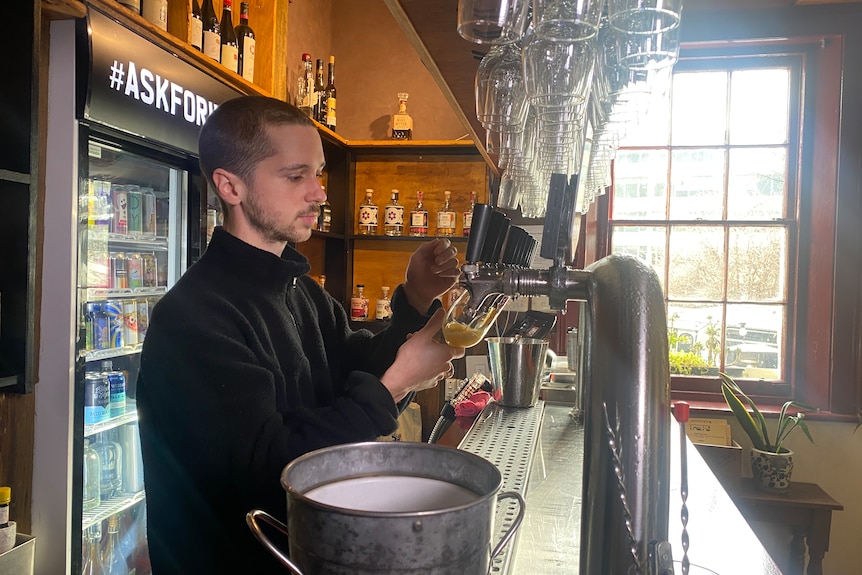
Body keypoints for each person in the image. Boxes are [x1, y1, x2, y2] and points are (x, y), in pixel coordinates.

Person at [136, 95, 465, 574]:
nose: (319, 193)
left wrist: (413, 300)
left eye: (319, 173)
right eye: (296, 176)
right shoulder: (194, 319)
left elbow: (356, 368)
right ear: (230, 186)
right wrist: (396, 384)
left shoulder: (299, 291)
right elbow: (272, 472)